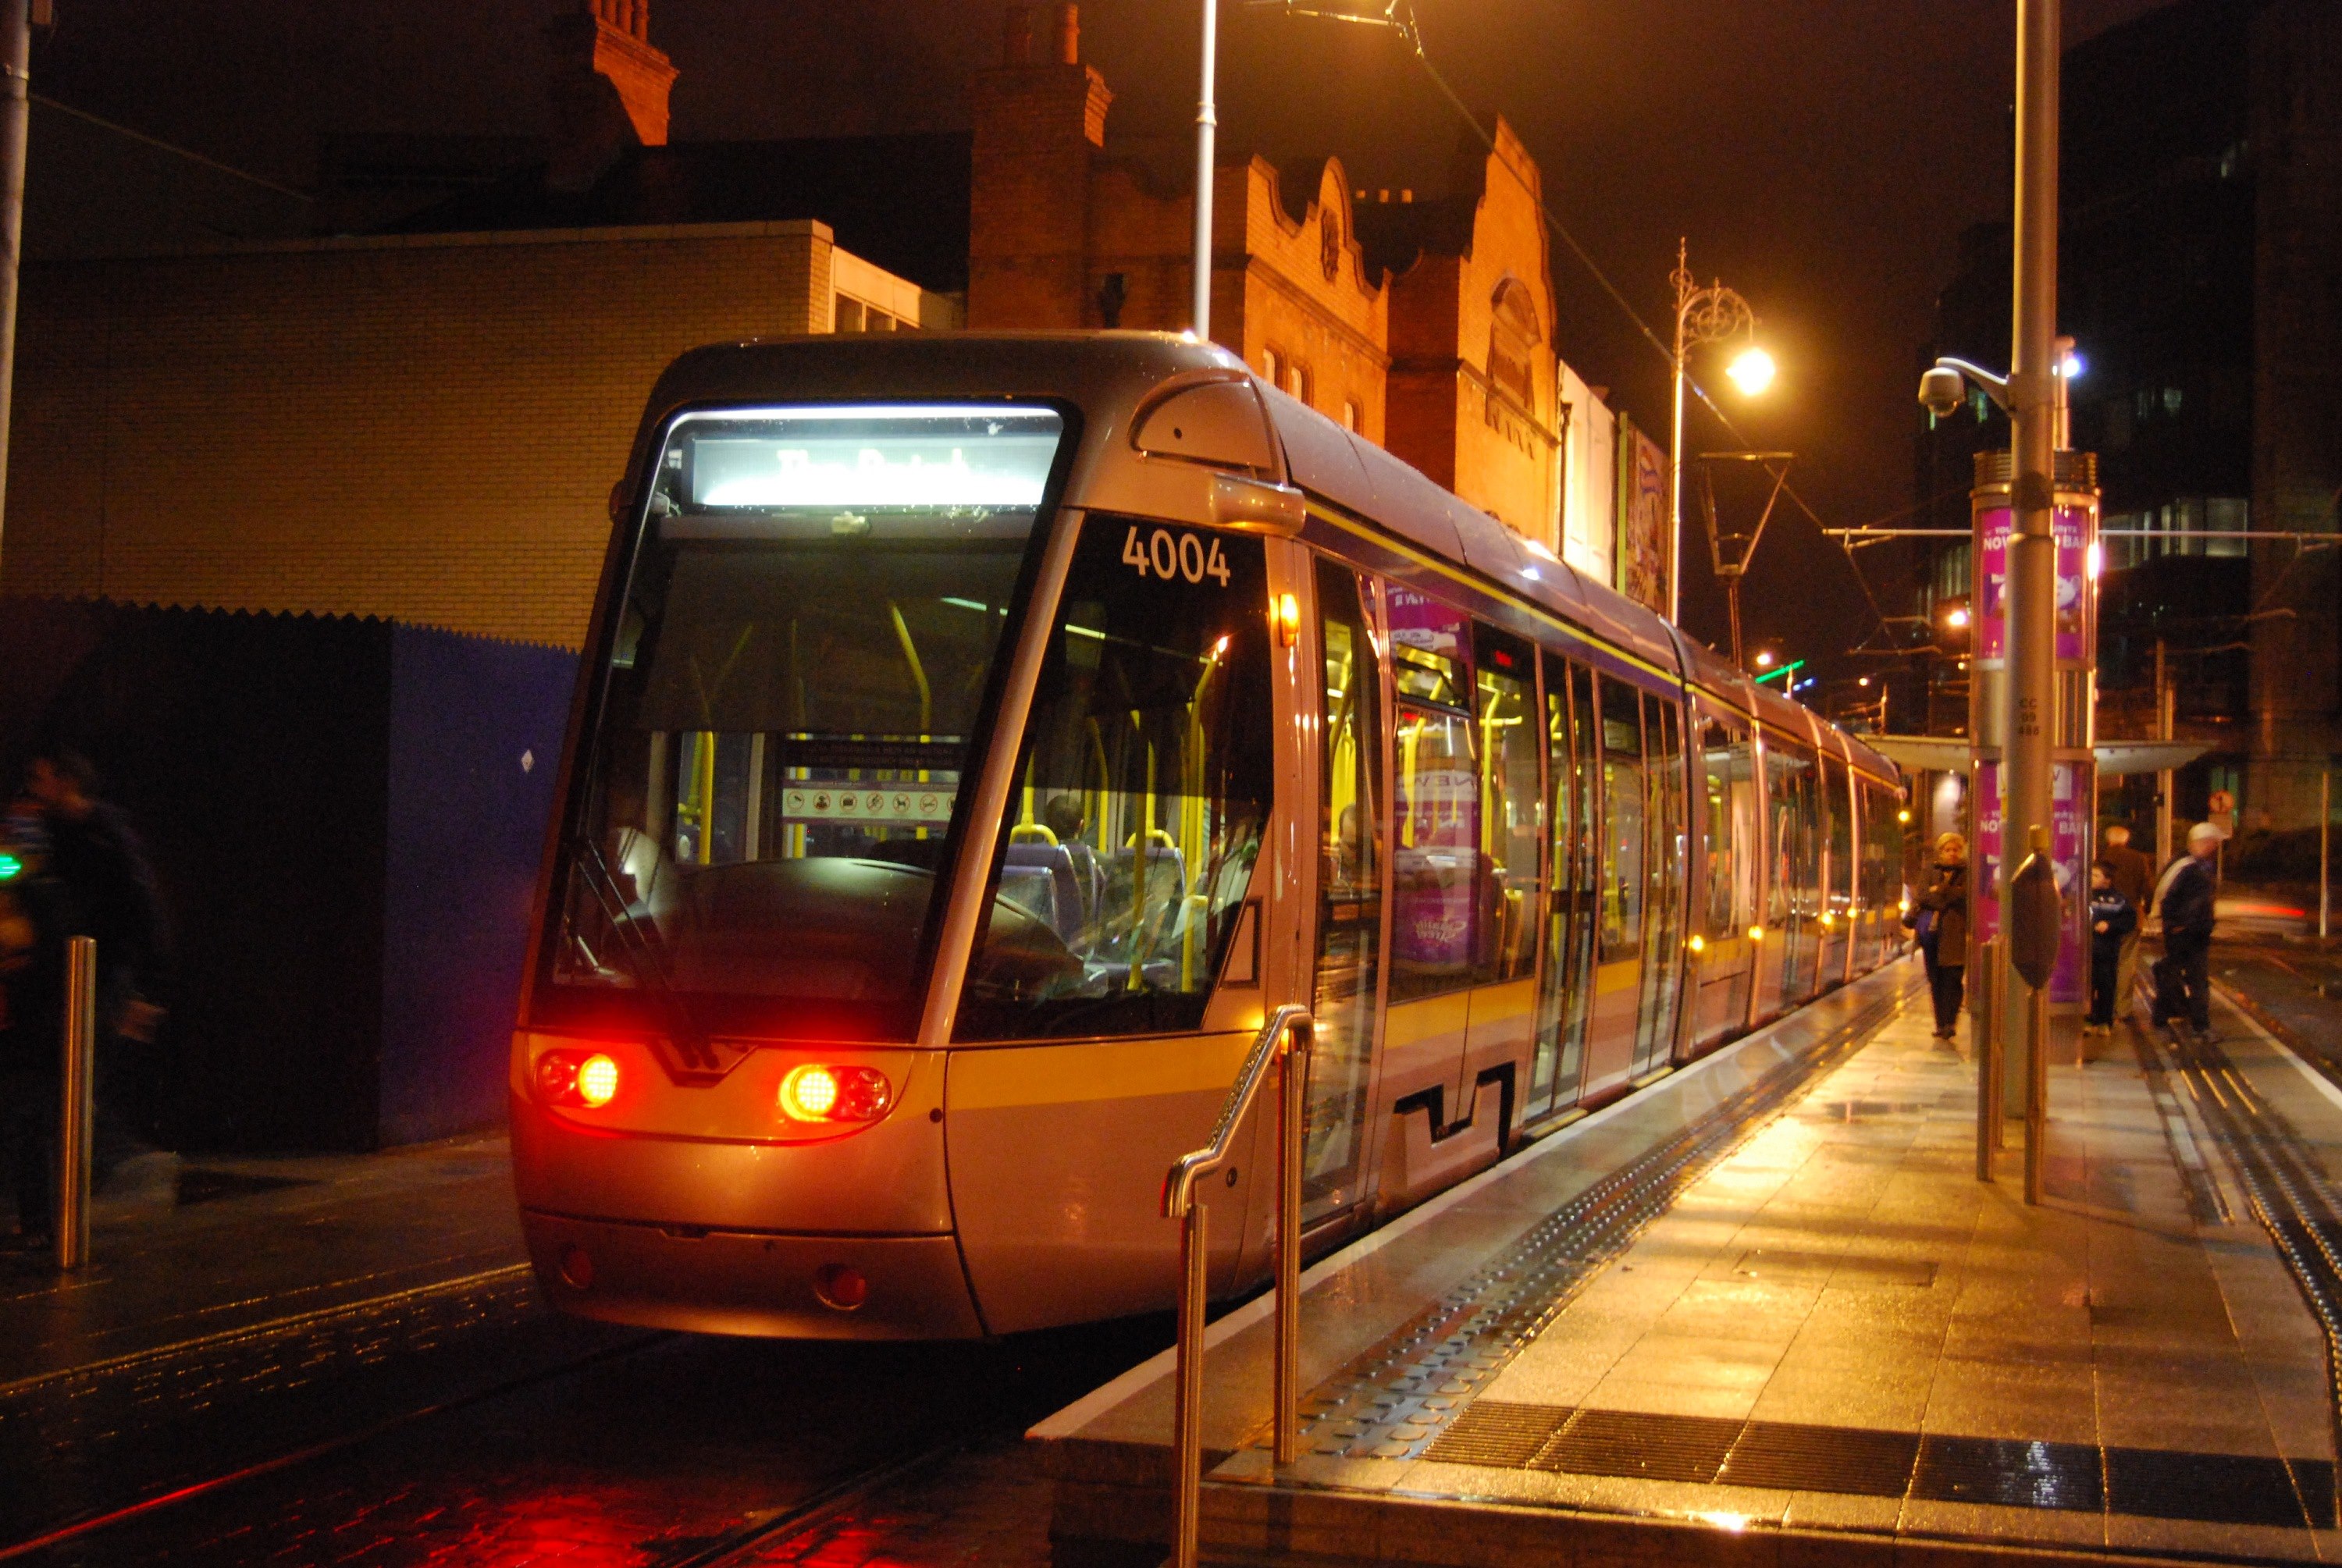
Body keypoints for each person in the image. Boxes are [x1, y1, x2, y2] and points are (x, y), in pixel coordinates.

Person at [23, 748, 169, 1177]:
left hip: (102, 976)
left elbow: (146, 909)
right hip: (64, 975)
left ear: (66, 782)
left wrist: (148, 992)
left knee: (80, 1080)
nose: (34, 788)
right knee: (58, 1084)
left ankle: (117, 1166)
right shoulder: (50, 833)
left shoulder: (106, 835)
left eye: (42, 778)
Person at [2152, 821, 2223, 1042]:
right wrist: (2176, 924)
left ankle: (2183, 1020)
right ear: (2202, 842)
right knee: (2187, 977)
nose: (2216, 847)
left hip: (2195, 932)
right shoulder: (2185, 866)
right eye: (2213, 842)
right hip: (2184, 933)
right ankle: (2191, 1024)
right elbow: (2164, 895)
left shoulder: (2198, 866)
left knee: (2189, 976)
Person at [1913, 832, 1970, 1040]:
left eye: (1956, 850)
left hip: (1955, 934)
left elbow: (1966, 896)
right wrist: (1948, 894)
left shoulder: (1966, 872)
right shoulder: (1931, 869)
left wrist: (1940, 890)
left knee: (1953, 978)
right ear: (1941, 851)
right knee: (1935, 978)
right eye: (1948, 850)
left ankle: (1950, 1022)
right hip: (1932, 935)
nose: (1952, 854)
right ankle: (1940, 1023)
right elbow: (1922, 896)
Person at [2098, 823, 2154, 1026]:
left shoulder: (2100, 857)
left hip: (2102, 916)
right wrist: (2145, 909)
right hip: (2130, 917)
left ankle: (2101, 1006)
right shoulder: (2139, 859)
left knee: (2103, 963)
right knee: (2125, 963)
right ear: (2126, 841)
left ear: (2109, 840)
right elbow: (2148, 888)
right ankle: (2122, 1009)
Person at [2084, 861, 2136, 1035]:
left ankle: (2104, 1021)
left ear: (2107, 880)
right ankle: (2087, 1019)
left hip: (2107, 949)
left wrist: (2111, 925)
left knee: (2106, 984)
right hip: (2087, 949)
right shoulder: (2084, 895)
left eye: (2096, 875)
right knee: (2087, 985)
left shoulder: (2118, 899)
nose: (2091, 878)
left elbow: (2129, 920)